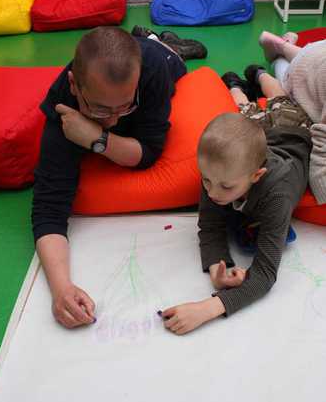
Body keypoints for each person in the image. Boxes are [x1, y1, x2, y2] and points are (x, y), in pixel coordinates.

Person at [32, 26, 188, 329]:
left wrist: (97, 136)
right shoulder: (62, 104)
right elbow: (48, 208)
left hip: (159, 58)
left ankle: (164, 43)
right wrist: (61, 287)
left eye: (125, 106)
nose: (115, 119)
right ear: (75, 85)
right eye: (101, 108)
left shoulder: (151, 73)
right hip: (130, 61)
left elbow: (148, 154)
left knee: (176, 63)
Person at [159, 67, 312, 335]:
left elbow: (265, 273)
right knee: (246, 110)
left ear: (256, 176)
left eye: (225, 187)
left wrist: (208, 308)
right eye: (206, 181)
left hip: (292, 133)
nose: (212, 192)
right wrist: (221, 266)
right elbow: (209, 226)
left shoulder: (277, 195)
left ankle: (259, 73)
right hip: (256, 139)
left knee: (278, 99)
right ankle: (234, 85)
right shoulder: (218, 173)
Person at [259, 30, 326, 204]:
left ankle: (284, 45)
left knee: (308, 57)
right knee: (282, 70)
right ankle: (279, 53)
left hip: (317, 51)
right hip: (301, 74)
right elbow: (321, 146)